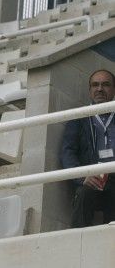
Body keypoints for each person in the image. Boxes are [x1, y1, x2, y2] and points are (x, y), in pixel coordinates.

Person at [60, 69, 115, 227]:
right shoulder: (80, 117)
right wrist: (83, 176)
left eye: (105, 85)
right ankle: (76, 243)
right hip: (92, 179)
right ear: (89, 90)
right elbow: (67, 152)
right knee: (83, 193)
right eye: (95, 85)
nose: (99, 89)